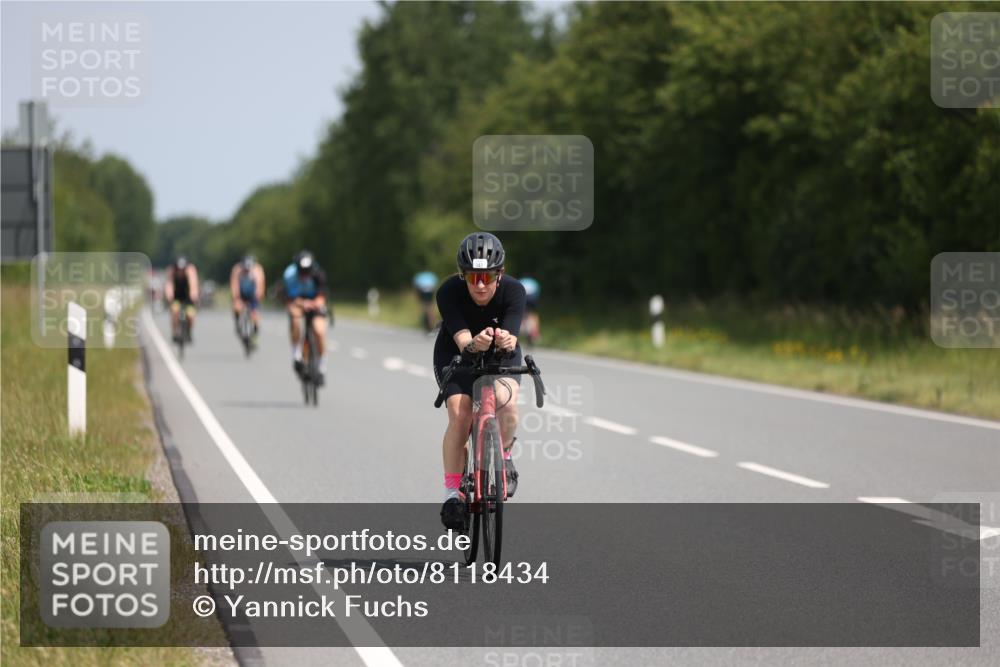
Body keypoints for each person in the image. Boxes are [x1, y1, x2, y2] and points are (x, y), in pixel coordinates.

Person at [434, 232, 526, 530]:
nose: (481, 285)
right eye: (473, 278)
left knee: (509, 405)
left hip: (502, 352)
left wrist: (503, 340)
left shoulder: (514, 291)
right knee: (460, 415)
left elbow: (512, 337)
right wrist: (475, 343)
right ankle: (452, 494)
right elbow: (462, 341)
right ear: (463, 276)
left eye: (487, 276)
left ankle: (506, 455)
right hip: (456, 353)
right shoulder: (448, 292)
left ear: (500, 274)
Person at [282, 251, 329, 385]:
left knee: (319, 331)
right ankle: (296, 355)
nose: (305, 275)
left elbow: (322, 295)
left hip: (315, 303)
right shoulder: (290, 275)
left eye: (307, 272)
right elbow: (290, 298)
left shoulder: (318, 274)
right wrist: (303, 303)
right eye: (302, 272)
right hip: (297, 301)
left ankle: (321, 368)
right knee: (296, 319)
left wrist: (315, 304)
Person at [230, 254, 265, 343]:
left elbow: (260, 285)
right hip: (241, 294)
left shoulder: (257, 270)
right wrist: (236, 298)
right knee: (237, 308)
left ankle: (254, 334)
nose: (246, 270)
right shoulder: (237, 269)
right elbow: (234, 285)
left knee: (255, 316)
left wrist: (257, 297)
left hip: (253, 295)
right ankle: (238, 323)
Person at [164, 256, 199, 343]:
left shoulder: (190, 270)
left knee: (190, 316)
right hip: (176, 296)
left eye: (182, 269)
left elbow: (193, 283)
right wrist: (169, 295)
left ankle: (189, 332)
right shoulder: (172, 271)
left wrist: (193, 294)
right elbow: (169, 284)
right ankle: (175, 332)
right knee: (175, 311)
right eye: (179, 269)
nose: (180, 271)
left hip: (188, 296)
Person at [519, 276, 541, 345]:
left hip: (523, 296)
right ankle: (535, 332)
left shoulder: (521, 281)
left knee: (521, 313)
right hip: (533, 296)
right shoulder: (533, 282)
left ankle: (520, 331)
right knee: (533, 313)